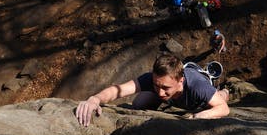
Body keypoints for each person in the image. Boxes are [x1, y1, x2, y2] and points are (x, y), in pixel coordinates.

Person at [76, 54, 230, 126]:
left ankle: (224, 90)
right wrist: (94, 99)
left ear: (180, 80)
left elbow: (224, 109)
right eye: (157, 85)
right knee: (138, 104)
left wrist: (200, 116)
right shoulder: (152, 79)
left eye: (165, 87)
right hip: (178, 97)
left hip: (196, 101)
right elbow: (118, 90)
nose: (160, 91)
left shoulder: (196, 85)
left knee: (220, 99)